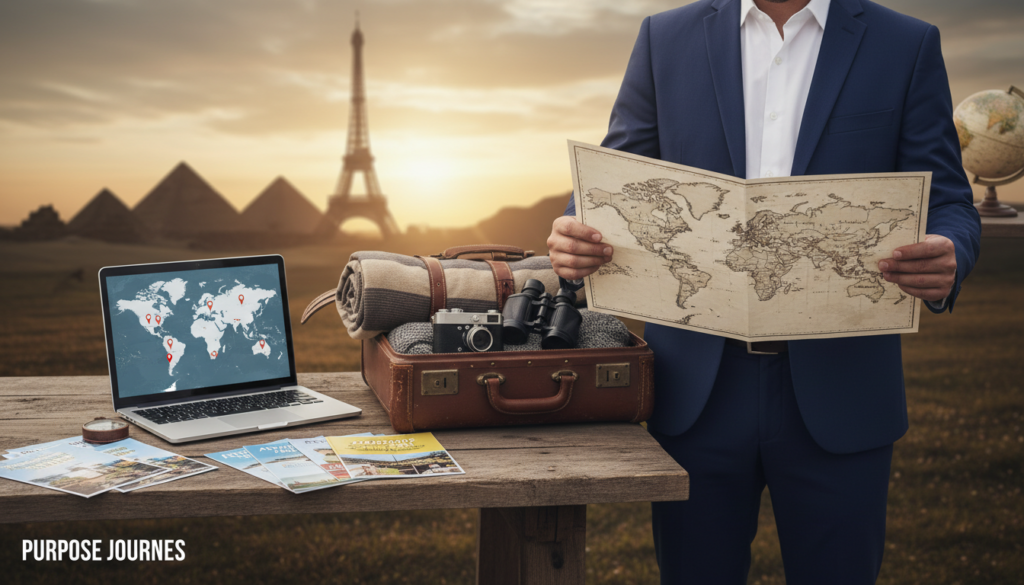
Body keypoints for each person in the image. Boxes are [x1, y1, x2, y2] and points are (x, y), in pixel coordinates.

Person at [546, 0, 982, 583]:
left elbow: (950, 200)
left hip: (846, 390)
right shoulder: (663, 38)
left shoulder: (906, 43)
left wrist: (953, 249)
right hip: (696, 391)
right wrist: (576, 229)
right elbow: (616, 176)